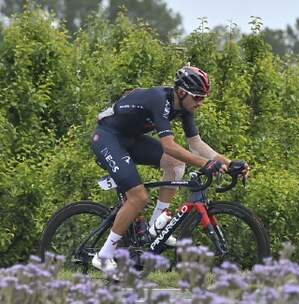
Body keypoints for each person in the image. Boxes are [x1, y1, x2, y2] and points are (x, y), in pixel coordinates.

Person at [90, 65, 248, 274]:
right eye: (198, 98)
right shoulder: (159, 100)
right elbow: (169, 146)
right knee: (138, 197)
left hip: (130, 140)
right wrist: (205, 164)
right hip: (107, 137)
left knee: (175, 164)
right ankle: (103, 256)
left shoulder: (185, 107)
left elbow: (196, 145)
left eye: (203, 98)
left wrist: (228, 164)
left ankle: (156, 224)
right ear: (182, 92)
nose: (201, 103)